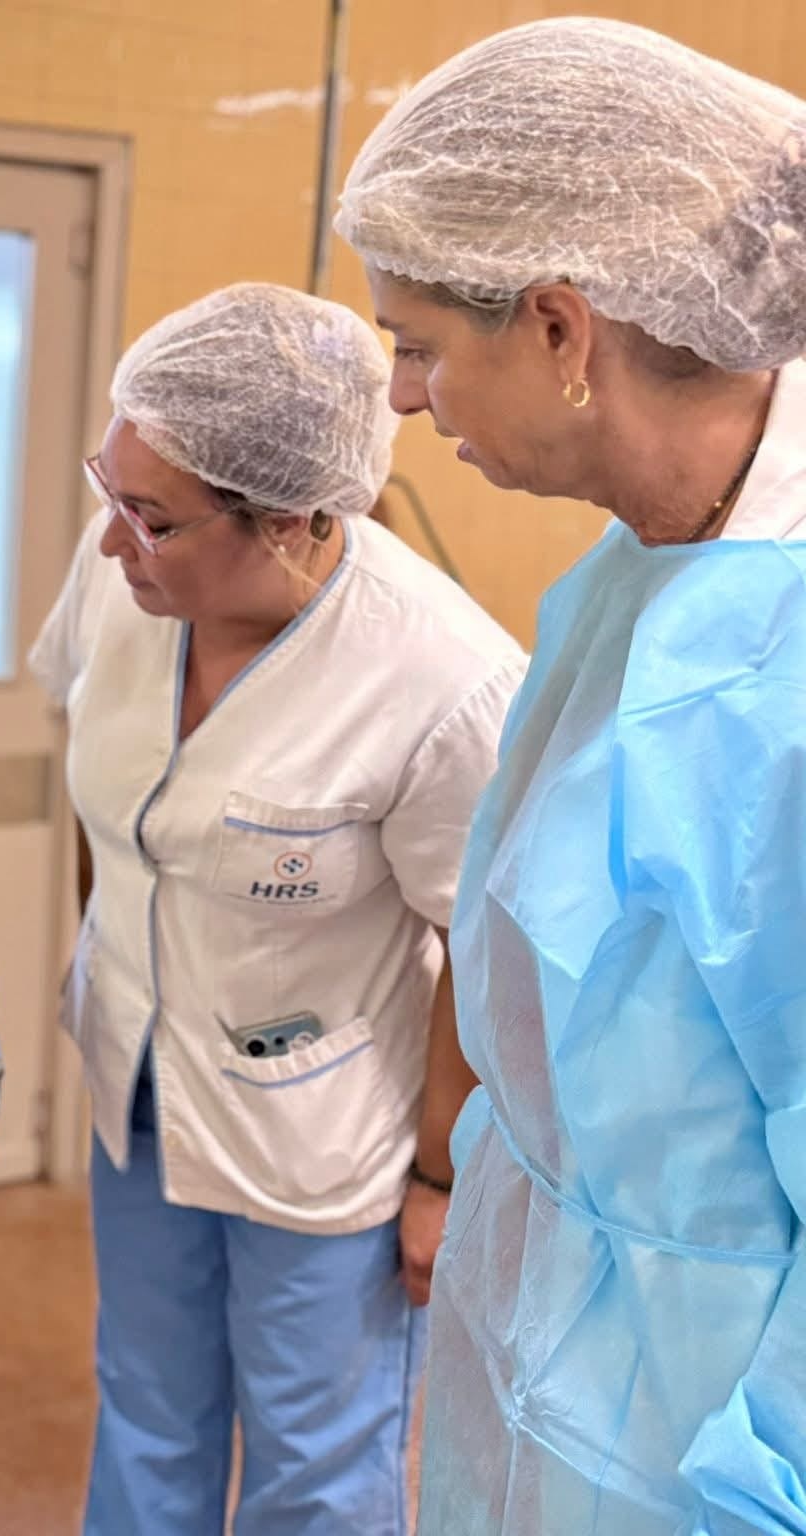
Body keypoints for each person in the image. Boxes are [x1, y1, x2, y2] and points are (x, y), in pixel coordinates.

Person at [335, 18, 806, 1534]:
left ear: (558, 329)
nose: (401, 399)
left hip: (712, 1452)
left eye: (417, 344)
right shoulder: (636, 579)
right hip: (559, 1357)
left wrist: (762, 1484)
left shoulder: (779, 665)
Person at [31, 281, 523, 1535]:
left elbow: (478, 946)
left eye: (150, 519)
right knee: (146, 1412)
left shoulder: (440, 678)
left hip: (320, 1136)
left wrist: (438, 1179)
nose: (111, 544)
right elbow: (109, 813)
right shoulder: (119, 581)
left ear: (292, 519)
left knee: (315, 1458)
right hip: (138, 1088)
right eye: (109, 493)